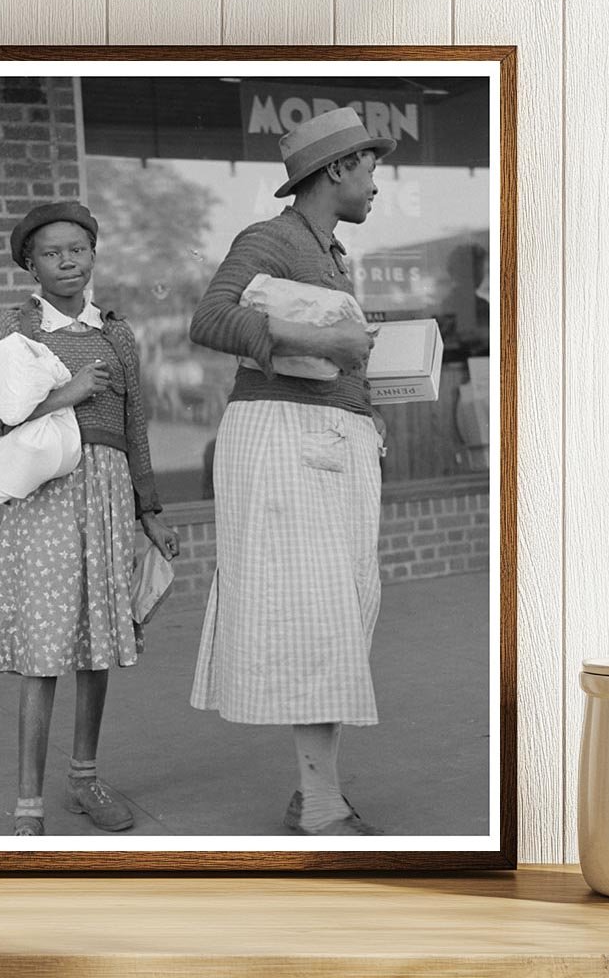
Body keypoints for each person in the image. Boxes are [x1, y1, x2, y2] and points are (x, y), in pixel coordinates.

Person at [188, 107, 394, 836]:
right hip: (283, 440)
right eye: (370, 167)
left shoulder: (331, 252)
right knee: (316, 620)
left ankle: (318, 790)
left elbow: (338, 358)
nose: (376, 183)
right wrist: (318, 338)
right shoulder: (270, 238)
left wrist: (369, 405)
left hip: (333, 443)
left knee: (341, 618)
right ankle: (321, 802)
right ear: (336, 168)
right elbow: (210, 319)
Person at [0, 201, 180, 836]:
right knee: (43, 647)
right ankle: (27, 807)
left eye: (78, 249)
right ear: (29, 264)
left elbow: (136, 427)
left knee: (93, 646)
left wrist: (151, 512)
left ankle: (85, 780)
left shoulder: (116, 334)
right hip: (47, 498)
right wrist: (63, 395)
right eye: (52, 252)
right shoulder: (15, 328)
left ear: (93, 255)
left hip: (112, 494)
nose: (67, 260)